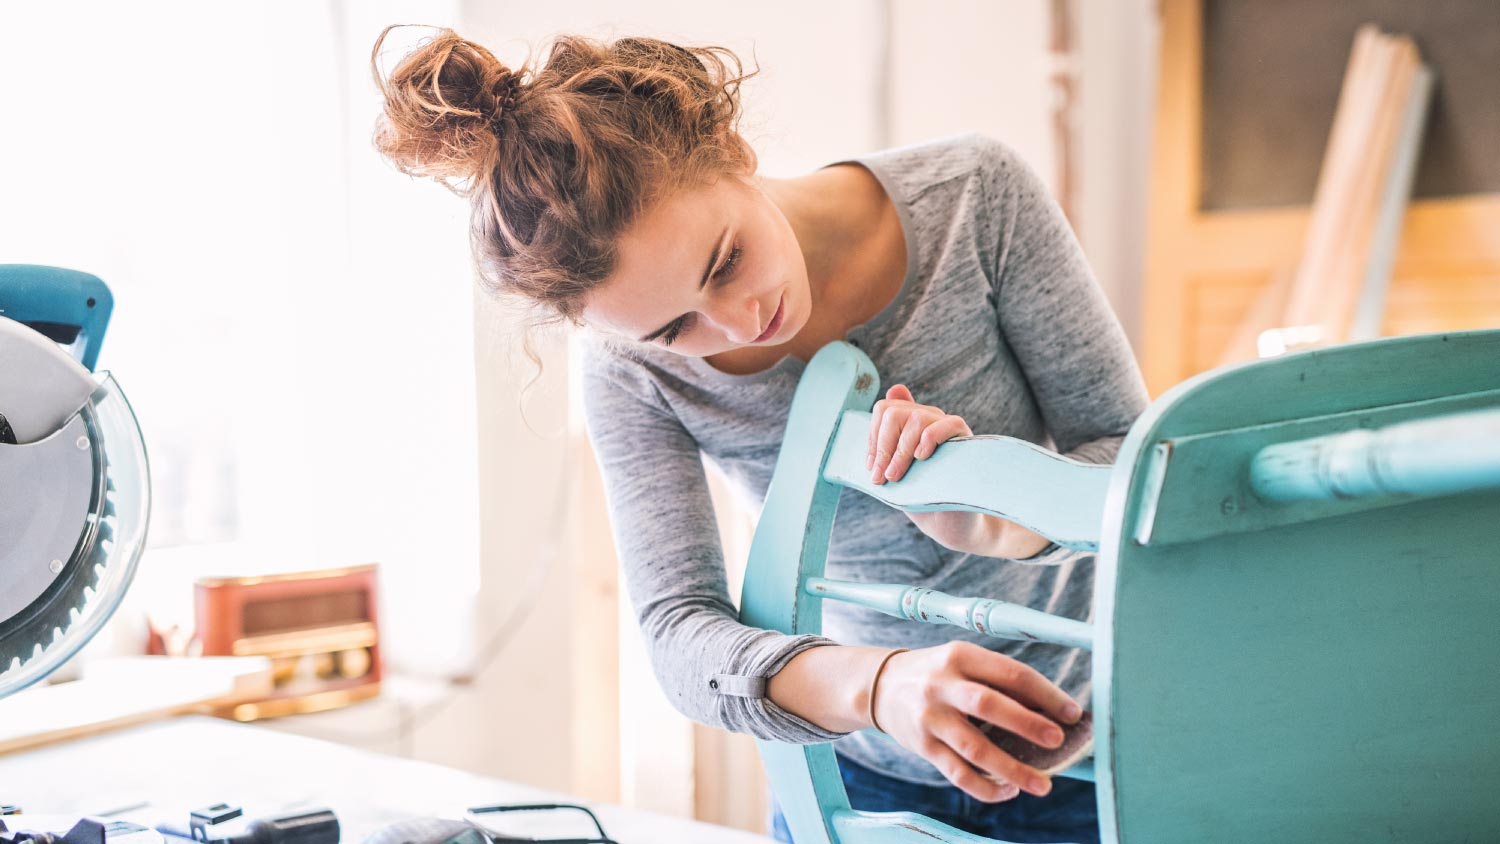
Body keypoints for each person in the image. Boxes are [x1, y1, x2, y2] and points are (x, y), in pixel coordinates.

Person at [370, 25, 1148, 844]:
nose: (740, 323)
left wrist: (995, 520)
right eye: (676, 327)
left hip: (1101, 759)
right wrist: (877, 687)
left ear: (730, 147)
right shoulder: (631, 372)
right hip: (854, 782)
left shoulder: (974, 197)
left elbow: (1129, 458)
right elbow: (678, 634)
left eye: (726, 260)